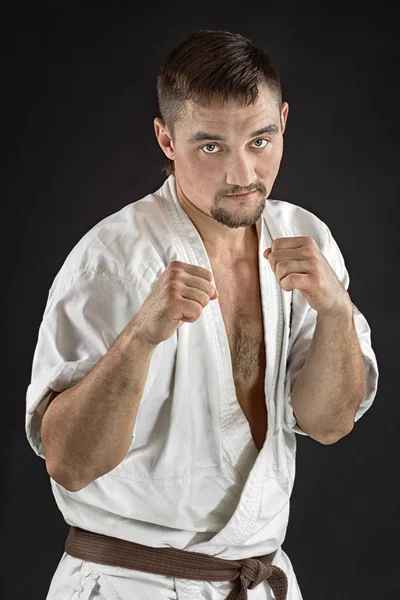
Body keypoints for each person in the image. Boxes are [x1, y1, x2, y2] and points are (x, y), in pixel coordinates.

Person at [25, 29, 379, 600]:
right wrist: (140, 338)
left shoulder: (306, 239)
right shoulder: (113, 261)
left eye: (261, 141)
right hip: (128, 585)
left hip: (257, 579)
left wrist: (336, 311)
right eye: (211, 147)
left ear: (283, 120)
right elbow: (69, 463)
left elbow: (329, 423)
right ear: (166, 139)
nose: (243, 174)